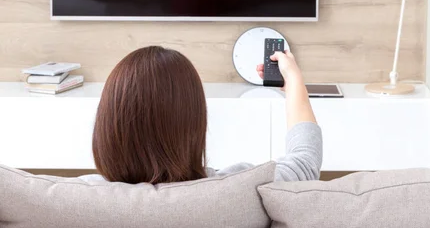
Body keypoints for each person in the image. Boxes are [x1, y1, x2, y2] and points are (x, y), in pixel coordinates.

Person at [80, 46, 322, 184]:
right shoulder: (241, 187)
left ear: (107, 124)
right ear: (194, 123)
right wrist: (293, 81)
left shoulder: (75, 197)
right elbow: (304, 164)